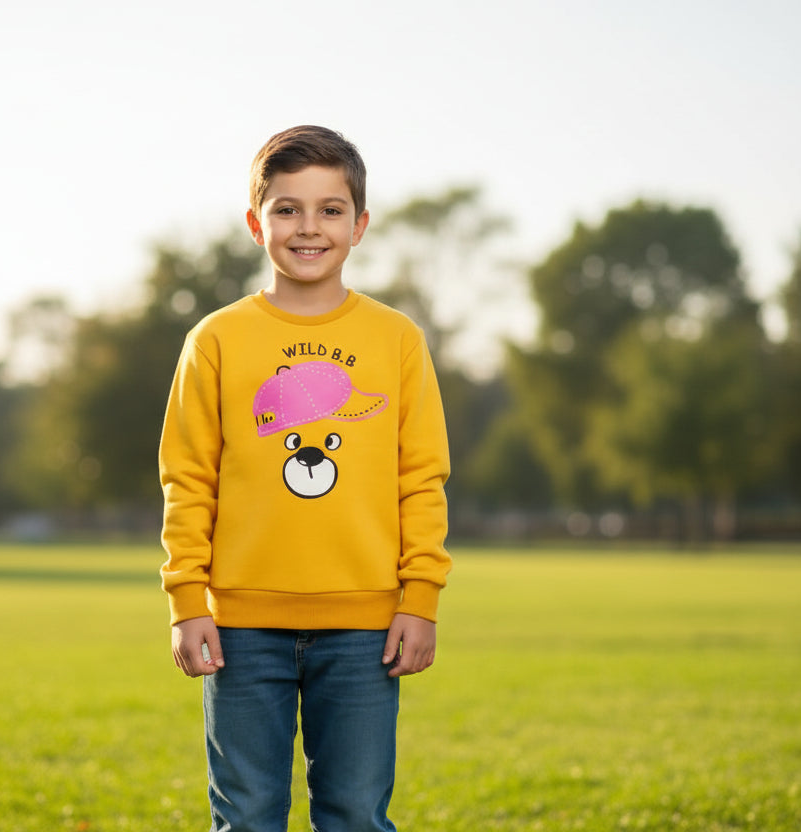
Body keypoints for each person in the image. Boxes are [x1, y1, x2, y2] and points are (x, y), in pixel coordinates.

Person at [158, 124, 452, 832]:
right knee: (249, 815)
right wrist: (187, 599)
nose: (308, 227)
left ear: (360, 225)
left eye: (330, 209)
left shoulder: (397, 339)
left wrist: (420, 597)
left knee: (354, 813)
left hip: (365, 628)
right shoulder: (219, 339)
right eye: (287, 209)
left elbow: (422, 477)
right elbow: (188, 477)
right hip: (241, 625)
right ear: (257, 223)